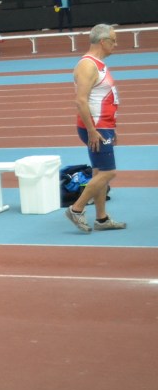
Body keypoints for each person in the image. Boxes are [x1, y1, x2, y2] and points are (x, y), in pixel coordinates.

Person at [65, 24, 126, 233]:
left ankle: (102, 218)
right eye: (113, 41)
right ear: (102, 41)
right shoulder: (87, 65)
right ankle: (76, 209)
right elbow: (81, 101)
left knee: (99, 171)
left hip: (103, 126)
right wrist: (92, 130)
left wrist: (111, 127)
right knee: (108, 172)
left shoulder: (99, 64)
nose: (115, 45)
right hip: (96, 127)